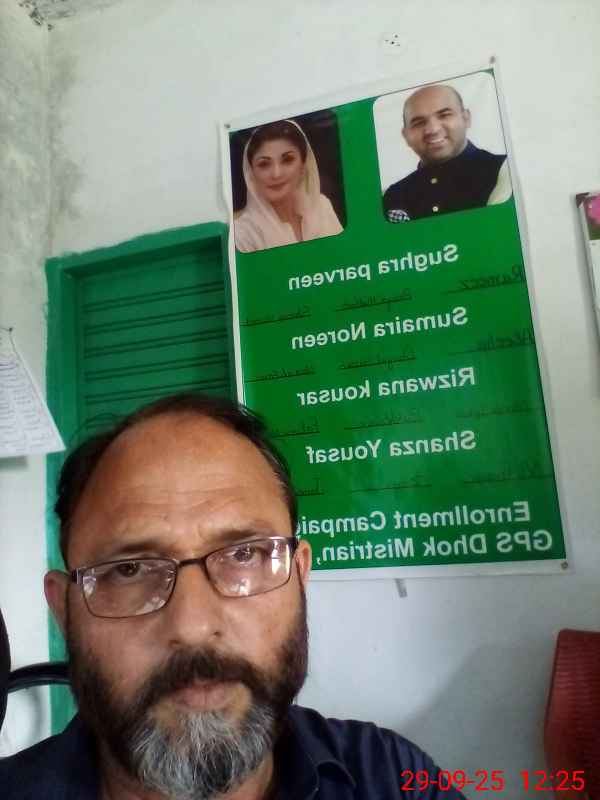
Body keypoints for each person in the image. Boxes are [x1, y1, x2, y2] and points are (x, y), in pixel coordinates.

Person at [0, 393, 466, 800]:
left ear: (300, 575)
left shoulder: (393, 777)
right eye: (129, 570)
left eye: (244, 554)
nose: (193, 625)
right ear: (63, 609)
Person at [383, 83, 512, 222]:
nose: (433, 130)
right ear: (406, 135)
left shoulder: (507, 171)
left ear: (466, 119)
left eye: (444, 115)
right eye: (418, 122)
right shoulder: (394, 196)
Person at [234, 119, 343, 253]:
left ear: (303, 167)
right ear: (251, 174)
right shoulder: (242, 234)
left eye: (287, 160)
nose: (276, 174)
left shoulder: (322, 206)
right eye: (264, 164)